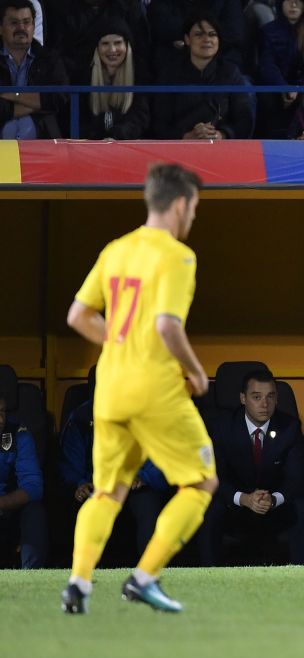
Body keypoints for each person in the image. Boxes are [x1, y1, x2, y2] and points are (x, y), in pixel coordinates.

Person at [61, 162, 217, 614]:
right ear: (181, 203)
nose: (193, 218)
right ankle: (144, 577)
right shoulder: (178, 256)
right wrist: (196, 371)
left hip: (108, 391)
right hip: (155, 390)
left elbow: (77, 316)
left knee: (107, 491)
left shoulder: (116, 249)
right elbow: (168, 325)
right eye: (194, 209)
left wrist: (118, 339)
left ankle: (78, 584)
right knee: (201, 481)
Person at [200, 369, 304, 565]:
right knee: (209, 508)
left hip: (273, 507)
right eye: (256, 397)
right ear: (243, 398)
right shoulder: (222, 427)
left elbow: (296, 478)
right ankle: (206, 575)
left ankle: (301, 574)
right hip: (235, 505)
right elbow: (213, 476)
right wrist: (243, 498)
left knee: (302, 507)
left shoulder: (289, 427)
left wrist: (273, 499)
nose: (264, 404)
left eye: (270, 397)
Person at [59, 398, 172, 557]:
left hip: (135, 484)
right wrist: (80, 484)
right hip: (97, 485)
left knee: (148, 505)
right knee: (86, 507)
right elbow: (70, 463)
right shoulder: (82, 417)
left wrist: (143, 477)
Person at [152, 13, 253, 140]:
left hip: (222, 148)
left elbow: (244, 121)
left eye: (212, 34)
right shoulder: (169, 74)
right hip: (179, 148)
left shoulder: (230, 73)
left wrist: (221, 135)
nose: (207, 40)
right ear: (187, 39)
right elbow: (160, 124)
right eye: (199, 34)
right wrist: (185, 136)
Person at [256, 0, 304, 138]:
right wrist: (283, 87)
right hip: (278, 88)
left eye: (299, 0)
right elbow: (267, 64)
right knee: (265, 98)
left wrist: (299, 87)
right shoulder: (268, 30)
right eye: (288, 0)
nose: (293, 4)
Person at [0, 0, 68, 139]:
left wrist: (14, 96)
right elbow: (47, 103)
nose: (21, 28)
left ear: (33, 26)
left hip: (43, 137)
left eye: (26, 22)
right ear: (0, 28)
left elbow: (59, 98)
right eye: (14, 23)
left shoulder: (50, 59)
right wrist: (37, 105)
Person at [74, 19, 151, 140]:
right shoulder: (84, 77)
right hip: (91, 148)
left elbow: (139, 119)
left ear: (127, 46)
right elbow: (81, 120)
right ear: (97, 48)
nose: (112, 49)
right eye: (105, 44)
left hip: (129, 148)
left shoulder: (140, 75)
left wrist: (115, 137)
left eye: (118, 43)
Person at [0, 395, 47, 569]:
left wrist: (3, 503)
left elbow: (33, 486)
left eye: (2, 412)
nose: (0, 419)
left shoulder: (17, 434)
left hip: (8, 510)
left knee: (35, 512)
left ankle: (31, 576)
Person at [148, 0, 244, 73]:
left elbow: (233, 33)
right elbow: (161, 27)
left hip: (221, 65)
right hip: (175, 67)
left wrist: (189, 42)